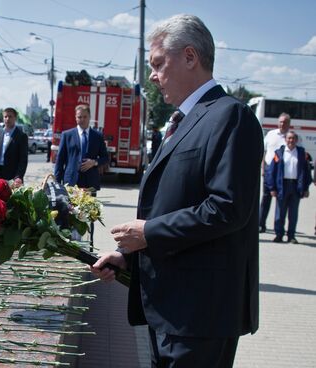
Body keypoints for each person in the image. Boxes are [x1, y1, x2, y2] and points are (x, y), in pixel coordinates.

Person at [91, 14, 262, 367]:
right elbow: (177, 206)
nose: (152, 76)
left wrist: (148, 232)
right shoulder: (185, 120)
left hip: (201, 315)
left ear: (189, 57)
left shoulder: (230, 116)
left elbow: (228, 207)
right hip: (169, 310)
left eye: (157, 64)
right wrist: (131, 256)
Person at [267, 131, 311, 244]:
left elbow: (306, 172)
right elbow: (271, 171)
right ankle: (279, 235)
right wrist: (272, 188)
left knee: (293, 213)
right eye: (289, 138)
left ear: (296, 140)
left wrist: (306, 188)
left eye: (293, 138)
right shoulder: (279, 153)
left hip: (296, 186)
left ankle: (291, 236)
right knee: (280, 213)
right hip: (283, 185)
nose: (291, 141)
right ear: (285, 140)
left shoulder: (302, 154)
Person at [54, 104, 109, 191]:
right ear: (75, 118)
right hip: (71, 182)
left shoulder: (98, 136)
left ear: (89, 117)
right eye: (79, 117)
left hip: (90, 182)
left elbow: (105, 158)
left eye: (85, 117)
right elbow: (60, 161)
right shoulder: (67, 135)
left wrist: (94, 162)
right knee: (70, 205)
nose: (82, 119)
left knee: (89, 205)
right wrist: (56, 183)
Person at [259, 113, 291, 233]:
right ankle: (261, 224)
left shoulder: (291, 137)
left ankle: (279, 229)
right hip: (269, 171)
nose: (283, 124)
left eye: (285, 122)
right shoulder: (271, 134)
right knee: (266, 198)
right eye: (281, 122)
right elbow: (264, 151)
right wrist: (263, 168)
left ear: (289, 124)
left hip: (282, 174)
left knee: (281, 202)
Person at [0, 107, 28, 184]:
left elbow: (23, 159)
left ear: (15, 118)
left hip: (13, 176)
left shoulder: (21, 136)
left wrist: (19, 176)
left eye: (10, 116)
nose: (7, 119)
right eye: (5, 116)